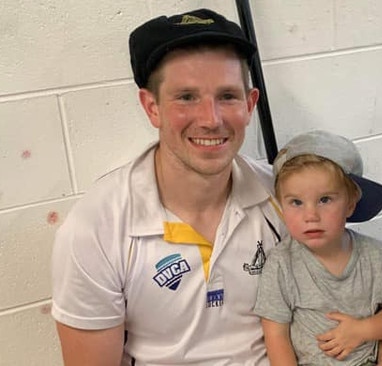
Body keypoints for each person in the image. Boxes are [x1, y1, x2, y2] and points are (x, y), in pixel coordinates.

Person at [51, 9, 287, 365]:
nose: (211, 119)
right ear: (152, 107)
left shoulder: (286, 199)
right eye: (187, 97)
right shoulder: (97, 226)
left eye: (227, 96)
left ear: (250, 104)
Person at [254, 130, 382, 365]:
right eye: (296, 202)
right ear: (281, 205)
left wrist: (363, 330)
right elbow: (276, 335)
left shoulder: (376, 257)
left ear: (351, 203)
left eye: (325, 199)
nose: (311, 216)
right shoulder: (281, 264)